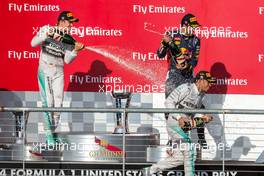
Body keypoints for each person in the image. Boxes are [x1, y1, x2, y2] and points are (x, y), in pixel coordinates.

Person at [145, 71, 215, 176]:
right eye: (208, 82)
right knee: (189, 150)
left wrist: (203, 118)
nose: (210, 85)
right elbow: (168, 102)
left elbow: (192, 115)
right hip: (174, 123)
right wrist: (179, 118)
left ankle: (149, 171)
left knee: (179, 158)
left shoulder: (201, 95)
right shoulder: (186, 88)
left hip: (184, 127)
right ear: (200, 80)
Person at [31, 11, 84, 145]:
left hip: (59, 71)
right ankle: (50, 139)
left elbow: (67, 60)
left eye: (72, 23)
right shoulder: (47, 29)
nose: (71, 26)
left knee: (58, 106)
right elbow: (33, 43)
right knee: (48, 103)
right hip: (45, 70)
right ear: (62, 21)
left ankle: (53, 134)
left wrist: (75, 51)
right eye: (70, 23)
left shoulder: (68, 39)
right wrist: (45, 35)